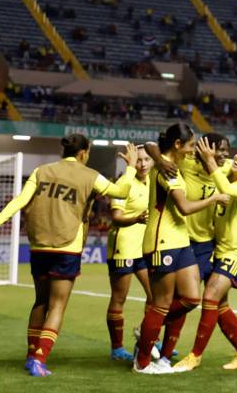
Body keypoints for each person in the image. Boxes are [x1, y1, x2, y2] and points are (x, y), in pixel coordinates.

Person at [0, 134, 139, 377]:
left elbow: (19, 201)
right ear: (83, 152)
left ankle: (32, 354)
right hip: (66, 247)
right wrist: (132, 167)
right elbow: (122, 191)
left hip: (39, 246)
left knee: (40, 302)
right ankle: (39, 360)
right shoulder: (90, 175)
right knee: (57, 305)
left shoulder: (41, 171)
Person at [133, 123, 230, 374]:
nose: (191, 150)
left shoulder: (171, 165)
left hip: (180, 241)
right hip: (161, 241)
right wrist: (214, 199)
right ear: (177, 145)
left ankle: (146, 330)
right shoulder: (168, 170)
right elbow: (185, 208)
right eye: (189, 145)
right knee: (162, 304)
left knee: (190, 298)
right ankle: (142, 362)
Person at [173, 137, 237, 372]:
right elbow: (218, 170)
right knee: (220, 305)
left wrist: (212, 162)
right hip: (218, 250)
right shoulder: (225, 170)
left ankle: (195, 356)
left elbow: (225, 189)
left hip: (236, 252)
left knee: (211, 295)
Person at [106, 145, 154, 362]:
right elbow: (115, 216)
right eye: (139, 160)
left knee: (155, 297)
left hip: (144, 248)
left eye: (147, 159)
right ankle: (117, 348)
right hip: (123, 246)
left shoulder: (154, 181)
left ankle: (148, 340)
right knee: (119, 298)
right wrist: (135, 219)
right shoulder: (123, 183)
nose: (143, 164)